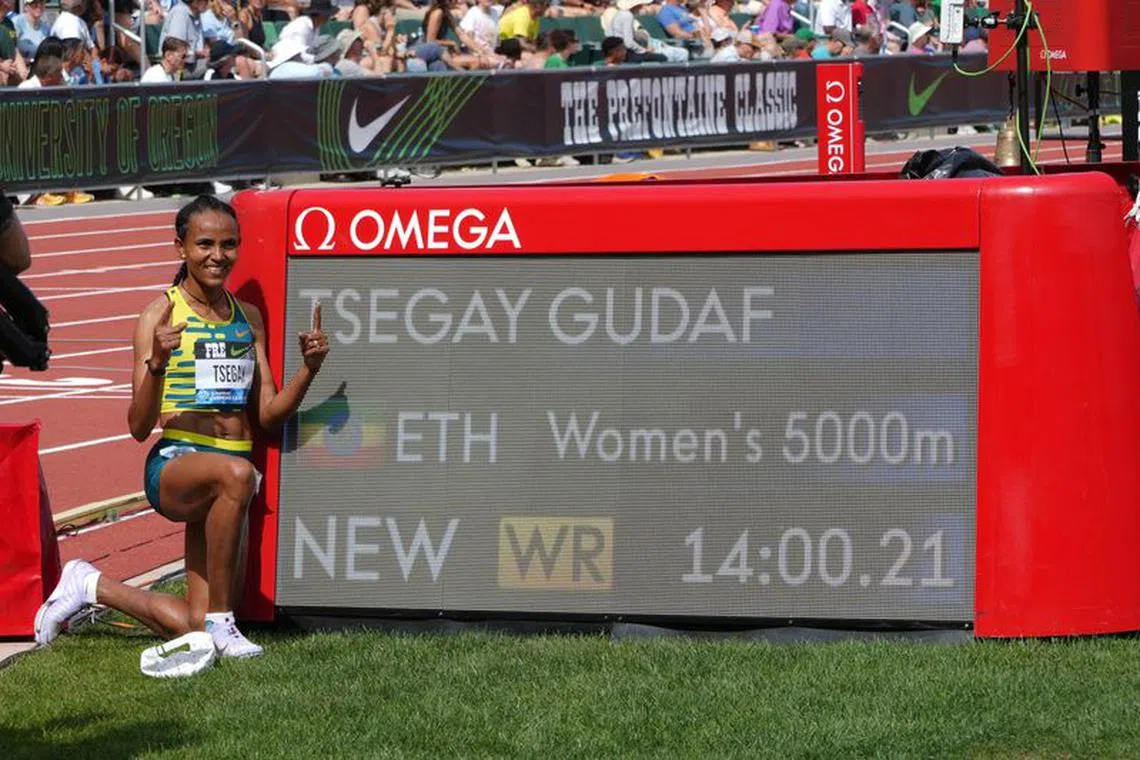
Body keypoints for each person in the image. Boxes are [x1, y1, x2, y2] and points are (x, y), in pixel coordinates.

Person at [34, 195, 330, 663]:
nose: (218, 255)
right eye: (205, 244)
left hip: (228, 476)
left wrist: (309, 371)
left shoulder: (247, 317)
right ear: (180, 248)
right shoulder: (160, 316)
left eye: (229, 244)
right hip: (176, 465)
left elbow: (269, 415)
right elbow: (137, 426)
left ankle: (89, 584)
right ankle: (222, 620)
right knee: (238, 477)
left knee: (195, 625)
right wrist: (158, 360)